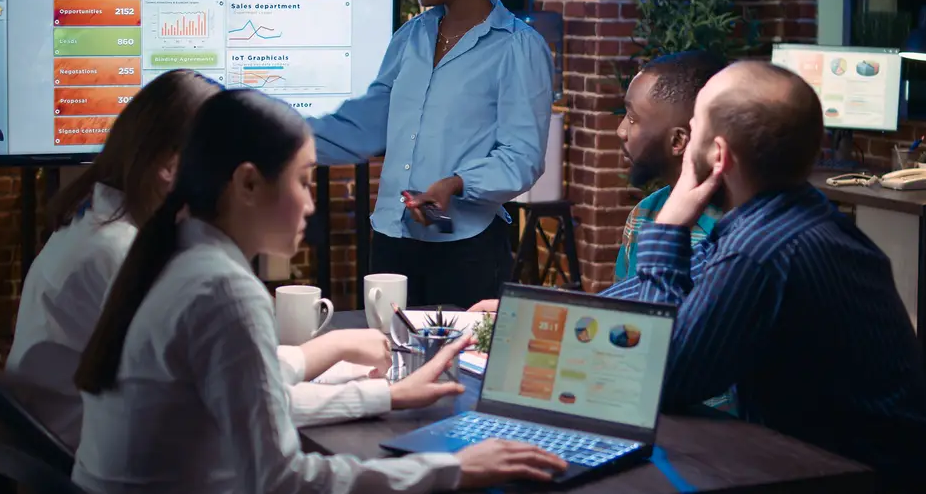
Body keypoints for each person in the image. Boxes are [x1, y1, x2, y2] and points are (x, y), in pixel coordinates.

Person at [72, 90, 566, 494]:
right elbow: (284, 480)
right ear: (247, 184)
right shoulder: (222, 289)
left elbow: (253, 390)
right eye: (304, 181)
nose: (311, 203)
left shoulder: (178, 252)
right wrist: (456, 469)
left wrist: (383, 394)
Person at [600, 61, 926, 493]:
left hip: (862, 479)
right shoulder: (794, 217)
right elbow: (686, 284)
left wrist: (668, 229)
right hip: (856, 460)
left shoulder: (761, 251)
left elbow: (657, 378)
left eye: (696, 125)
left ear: (718, 155)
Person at [6, 70, 401, 451]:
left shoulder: (102, 221)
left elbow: (232, 383)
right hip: (82, 450)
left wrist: (332, 350)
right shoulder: (123, 252)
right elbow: (251, 406)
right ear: (171, 167)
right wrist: (383, 394)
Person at [307, 0, 554, 309]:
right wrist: (276, 132)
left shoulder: (518, 47)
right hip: (390, 240)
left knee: (456, 369)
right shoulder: (410, 37)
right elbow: (365, 127)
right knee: (388, 360)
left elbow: (522, 157)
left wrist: (457, 184)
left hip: (467, 252)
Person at [467, 50, 726, 313]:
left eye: (633, 119)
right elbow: (622, 313)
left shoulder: (728, 233)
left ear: (678, 141)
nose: (621, 130)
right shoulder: (645, 213)